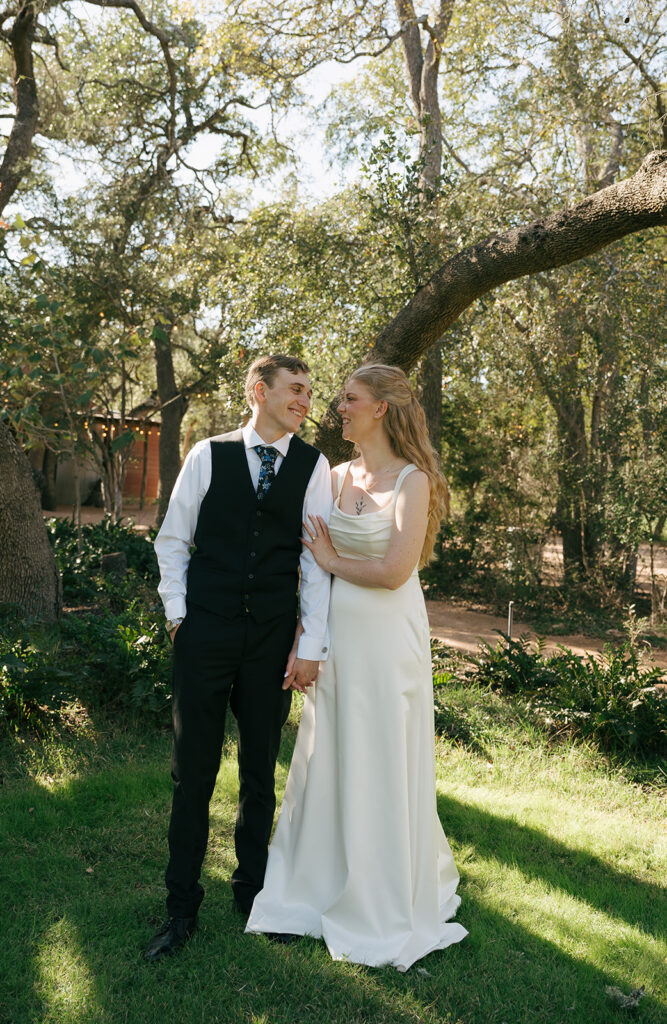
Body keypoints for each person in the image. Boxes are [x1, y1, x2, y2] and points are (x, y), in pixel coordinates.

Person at [246, 363, 467, 971]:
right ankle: (314, 886)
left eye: (349, 399)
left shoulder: (412, 481)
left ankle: (383, 894)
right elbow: (308, 575)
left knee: (381, 755)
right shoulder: (334, 474)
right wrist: (302, 638)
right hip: (336, 638)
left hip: (388, 640)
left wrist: (327, 556)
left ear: (382, 409)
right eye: (339, 399)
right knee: (328, 754)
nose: (337, 408)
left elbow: (395, 570)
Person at [145, 354, 332, 962]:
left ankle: (253, 897)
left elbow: (313, 562)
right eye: (295, 390)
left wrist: (310, 645)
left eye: (309, 392)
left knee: (259, 776)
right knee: (191, 775)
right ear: (259, 390)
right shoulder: (208, 455)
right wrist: (178, 617)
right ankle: (180, 908)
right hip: (205, 635)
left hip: (271, 644)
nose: (305, 401)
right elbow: (173, 539)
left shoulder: (314, 464)